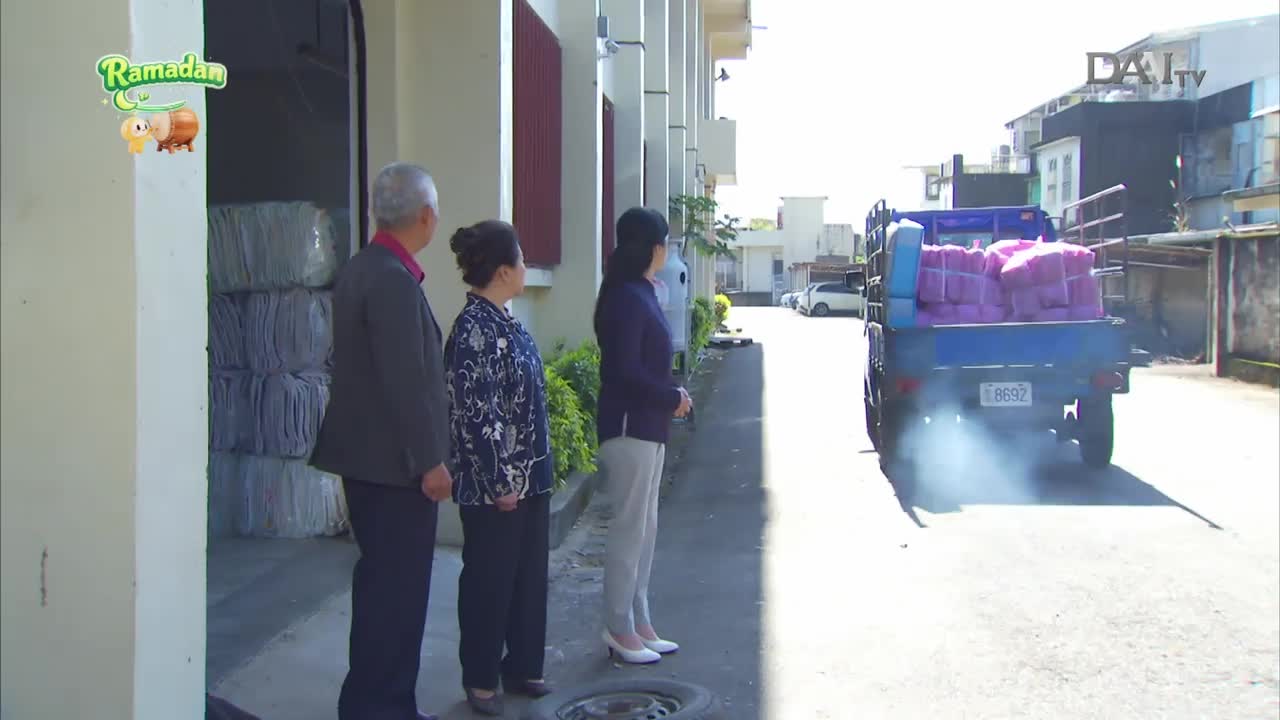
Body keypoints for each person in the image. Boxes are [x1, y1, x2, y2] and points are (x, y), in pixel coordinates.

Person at [310, 162, 452, 720]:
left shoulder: (365, 269)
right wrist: (430, 462)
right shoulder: (391, 279)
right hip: (396, 471)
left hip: (372, 465)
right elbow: (404, 382)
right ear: (424, 215)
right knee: (397, 598)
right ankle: (384, 706)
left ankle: (374, 701)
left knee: (381, 594)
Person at [442, 220, 555, 716]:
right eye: (523, 259)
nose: (528, 266)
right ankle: (481, 677)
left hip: (532, 479)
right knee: (490, 581)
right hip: (496, 488)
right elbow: (475, 413)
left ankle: (524, 666)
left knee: (529, 578)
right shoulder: (472, 331)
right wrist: (499, 481)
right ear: (504, 270)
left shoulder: (508, 320)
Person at [592, 207, 692, 665]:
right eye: (666, 241)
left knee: (645, 528)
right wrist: (670, 395)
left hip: (649, 427)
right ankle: (618, 626)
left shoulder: (641, 292)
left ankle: (639, 619)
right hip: (630, 426)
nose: (668, 249)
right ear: (654, 247)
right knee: (631, 529)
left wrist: (670, 396)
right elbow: (624, 372)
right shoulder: (626, 298)